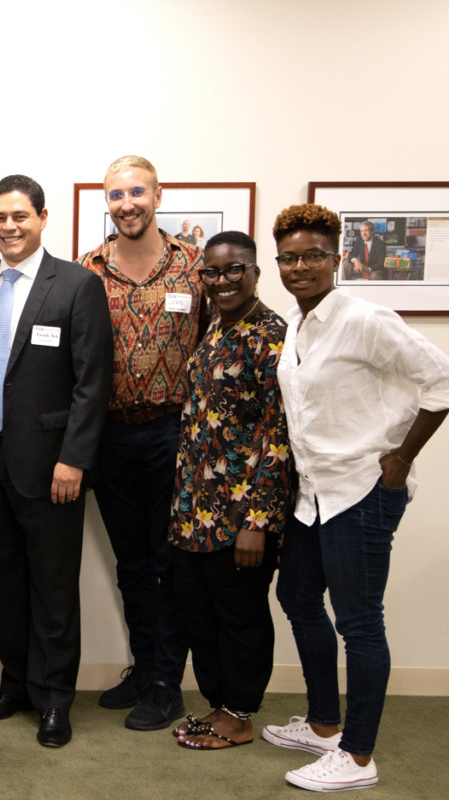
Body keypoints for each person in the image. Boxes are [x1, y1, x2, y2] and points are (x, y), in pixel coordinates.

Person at [262, 204, 449, 792]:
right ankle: (322, 724)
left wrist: (400, 459)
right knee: (296, 594)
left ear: (336, 257)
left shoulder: (365, 318)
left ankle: (359, 757)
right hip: (314, 492)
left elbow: (441, 381)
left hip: (362, 492)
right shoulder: (299, 319)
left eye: (312, 255)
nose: (299, 266)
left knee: (361, 623)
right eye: (288, 257)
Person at [0, 174, 113, 748]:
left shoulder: (76, 284)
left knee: (52, 585)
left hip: (52, 467)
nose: (9, 227)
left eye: (20, 216)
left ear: (43, 218)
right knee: (3, 583)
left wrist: (74, 459)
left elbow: (93, 384)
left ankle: (54, 700)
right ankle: (16, 684)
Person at [76, 155, 206, 731]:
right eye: (115, 195)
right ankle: (144, 666)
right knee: (131, 563)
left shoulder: (194, 267)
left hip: (172, 433)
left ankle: (166, 683)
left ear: (158, 194)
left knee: (166, 562)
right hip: (109, 436)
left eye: (136, 192)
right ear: (106, 202)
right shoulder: (87, 270)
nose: (126, 203)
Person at [168, 232, 294, 750]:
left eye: (233, 270)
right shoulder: (216, 328)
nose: (221, 281)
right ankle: (220, 706)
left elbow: (279, 435)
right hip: (194, 512)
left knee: (240, 617)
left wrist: (257, 522)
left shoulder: (272, 336)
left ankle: (240, 714)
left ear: (255, 272)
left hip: (240, 516)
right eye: (211, 273)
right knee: (200, 616)